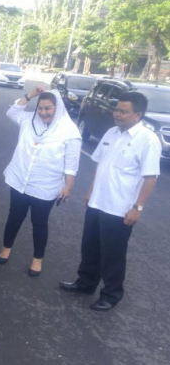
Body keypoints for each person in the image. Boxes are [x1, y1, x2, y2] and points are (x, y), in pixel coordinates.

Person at [60, 92, 161, 312]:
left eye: (123, 111)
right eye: (117, 110)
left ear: (138, 114)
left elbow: (150, 177)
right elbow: (100, 165)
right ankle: (86, 283)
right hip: (97, 202)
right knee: (90, 247)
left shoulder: (147, 140)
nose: (117, 114)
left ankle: (112, 294)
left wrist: (138, 207)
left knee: (112, 254)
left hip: (120, 208)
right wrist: (89, 192)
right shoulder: (111, 132)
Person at [0, 87, 82, 277]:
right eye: (40, 108)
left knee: (39, 222)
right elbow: (12, 112)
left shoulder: (69, 131)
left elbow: (71, 163)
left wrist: (68, 186)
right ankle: (6, 249)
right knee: (14, 216)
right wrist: (30, 96)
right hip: (20, 179)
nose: (43, 112)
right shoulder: (28, 120)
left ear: (57, 108)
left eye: (48, 108)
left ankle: (37, 260)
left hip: (46, 185)